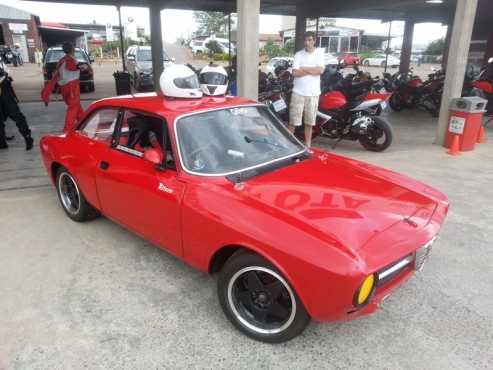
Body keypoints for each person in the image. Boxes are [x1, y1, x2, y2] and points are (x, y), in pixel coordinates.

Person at [288, 31, 325, 148]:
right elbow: (295, 73)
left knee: (309, 122)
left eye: (310, 40)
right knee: (293, 121)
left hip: (313, 93)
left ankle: (308, 146)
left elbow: (320, 70)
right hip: (298, 92)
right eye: (306, 40)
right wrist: (311, 70)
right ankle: (289, 145)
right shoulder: (299, 54)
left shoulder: (319, 54)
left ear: (314, 41)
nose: (307, 42)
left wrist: (303, 68)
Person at [41, 42, 87, 132]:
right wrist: (83, 67)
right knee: (73, 109)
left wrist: (45, 95)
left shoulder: (62, 60)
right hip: (72, 88)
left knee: (77, 109)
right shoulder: (70, 60)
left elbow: (54, 80)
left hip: (65, 88)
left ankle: (85, 125)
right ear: (72, 49)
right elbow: (73, 67)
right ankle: (67, 132)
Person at [0, 56, 33, 150]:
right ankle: (1, 141)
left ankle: (27, 137)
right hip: (3, 85)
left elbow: (5, 71)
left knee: (15, 114)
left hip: (3, 87)